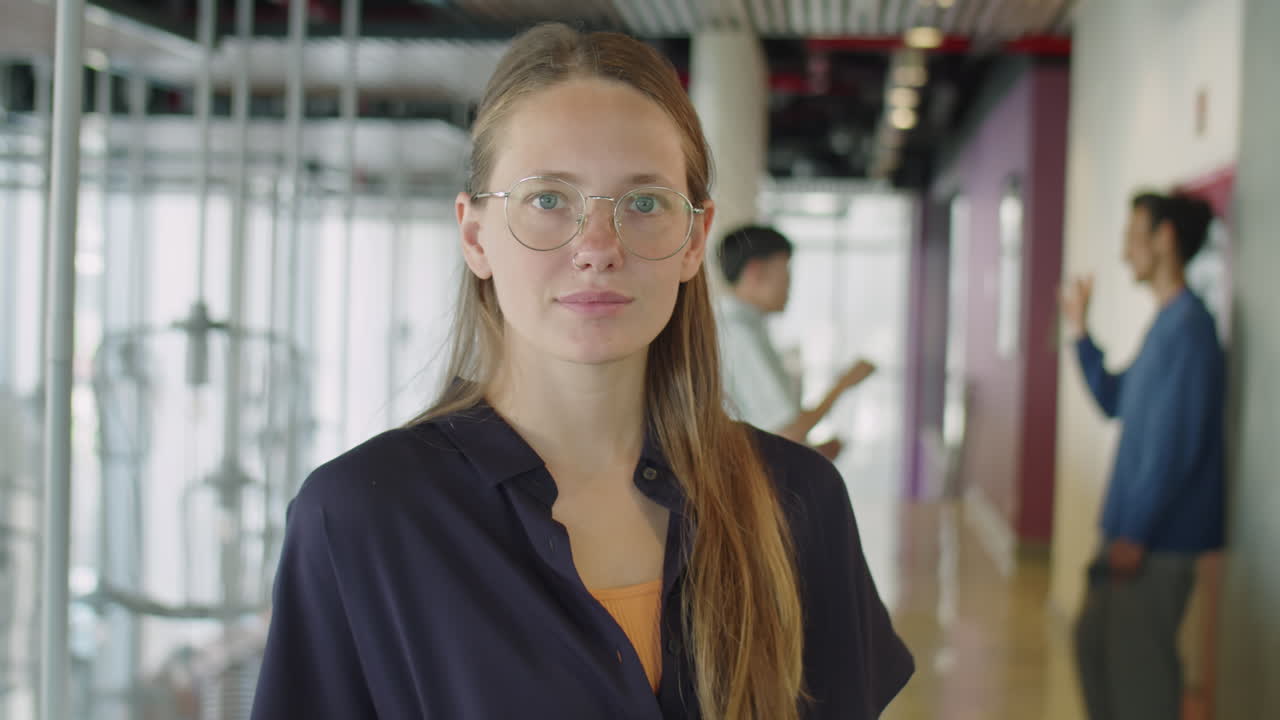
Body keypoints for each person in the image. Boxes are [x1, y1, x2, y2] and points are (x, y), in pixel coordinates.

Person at [250, 24, 912, 720]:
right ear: (475, 236)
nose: (597, 247)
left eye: (645, 203)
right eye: (547, 199)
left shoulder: (796, 502)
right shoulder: (363, 518)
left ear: (694, 240)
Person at [1062, 191, 1224, 720]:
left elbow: (1173, 450)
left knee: (1141, 685)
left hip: (1154, 543)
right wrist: (1081, 331)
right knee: (1092, 649)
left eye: (1134, 237)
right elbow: (1115, 399)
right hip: (1130, 535)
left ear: (1165, 238)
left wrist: (1136, 532)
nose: (1125, 251)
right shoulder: (1164, 328)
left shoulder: (1191, 332)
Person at [717, 225, 877, 460]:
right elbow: (787, 432)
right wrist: (844, 384)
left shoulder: (739, 327)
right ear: (755, 272)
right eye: (785, 274)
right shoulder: (739, 333)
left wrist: (812, 453)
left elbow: (767, 435)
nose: (789, 287)